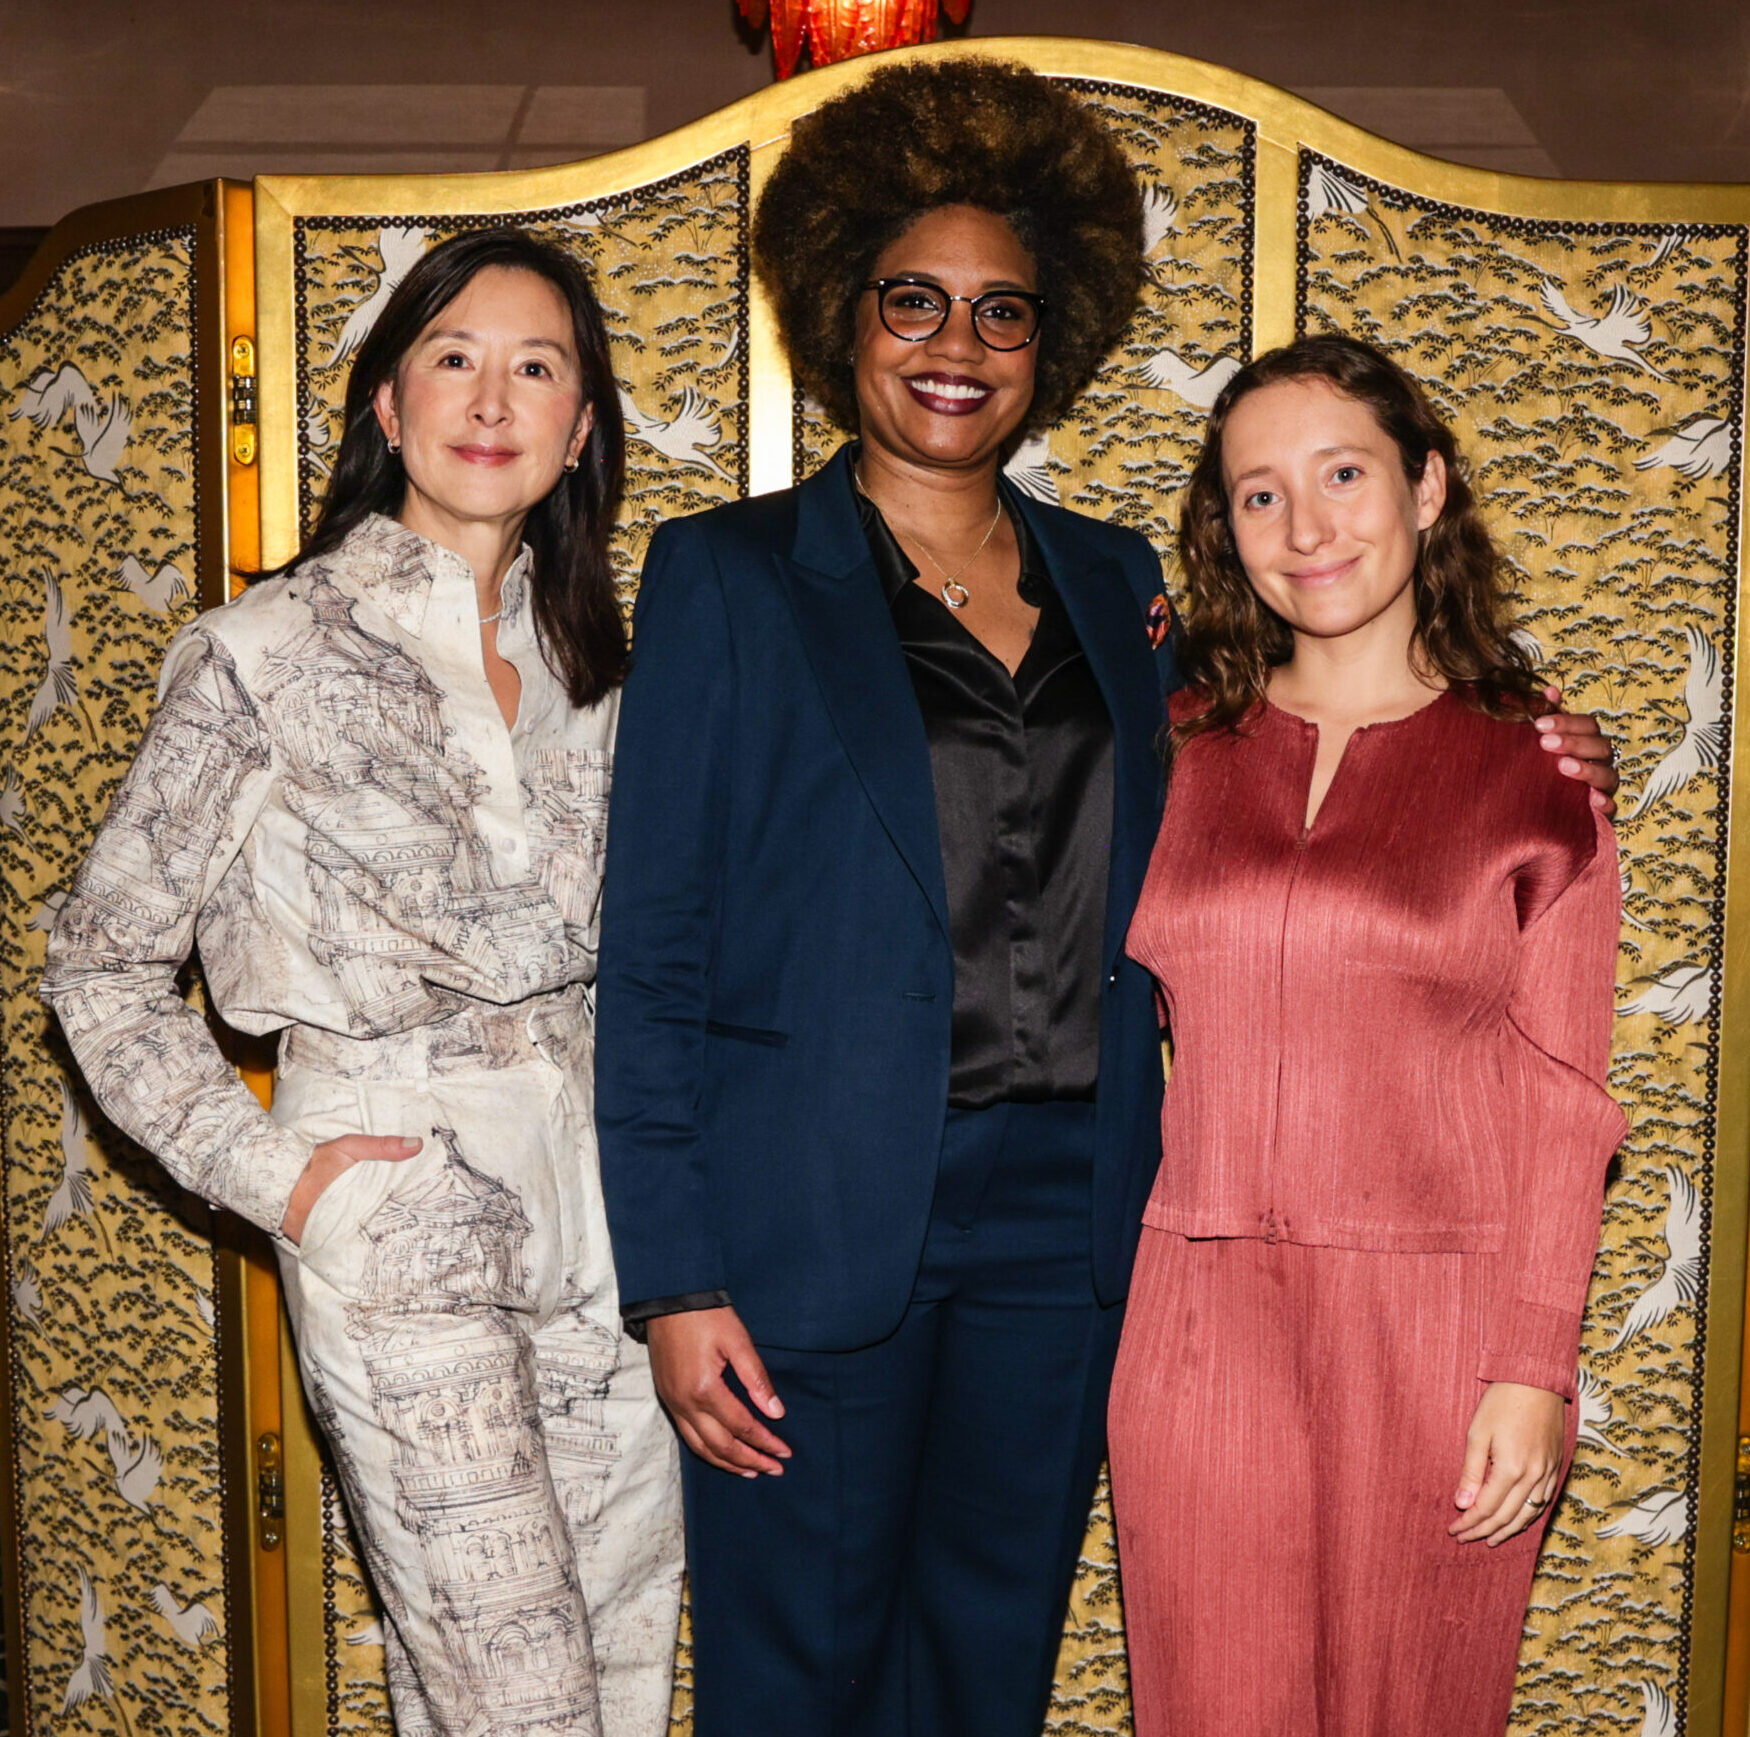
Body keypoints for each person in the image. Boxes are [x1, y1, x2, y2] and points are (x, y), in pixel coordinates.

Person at [593, 62, 1615, 1737]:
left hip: (1075, 1223)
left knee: (984, 1667)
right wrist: (675, 1277)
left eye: (1002, 310)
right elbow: (650, 957)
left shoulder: (1118, 584)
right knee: (797, 1683)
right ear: (842, 309)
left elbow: (1323, 768)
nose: (956, 343)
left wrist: (1527, 741)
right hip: (813, 1218)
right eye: (913, 298)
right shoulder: (729, 576)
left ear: (1046, 340)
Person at [43, 229, 682, 1737]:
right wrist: (289, 1182)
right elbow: (100, 962)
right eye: (453, 357)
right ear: (388, 405)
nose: (492, 398)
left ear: (580, 429)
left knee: (619, 1676)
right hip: (400, 1202)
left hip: (611, 1219)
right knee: (517, 1705)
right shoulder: (261, 653)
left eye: (536, 367)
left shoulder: (604, 667)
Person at [1107, 332, 1628, 1737]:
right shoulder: (1168, 748)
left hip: (1443, 1336)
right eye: (1259, 494)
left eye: (1342, 473)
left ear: (1426, 487)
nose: (1306, 525)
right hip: (1197, 1318)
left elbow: (1564, 1098)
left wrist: (1533, 1365)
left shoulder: (1535, 772)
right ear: (1225, 530)